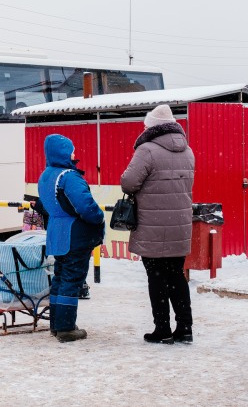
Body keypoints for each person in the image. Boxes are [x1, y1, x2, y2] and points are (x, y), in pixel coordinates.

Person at [120, 104, 195, 344]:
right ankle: (185, 327)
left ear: (151, 126)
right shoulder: (188, 150)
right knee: (176, 275)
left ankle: (162, 328)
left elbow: (128, 183)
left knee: (156, 275)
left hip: (152, 224)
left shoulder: (147, 150)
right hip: (179, 224)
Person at [38, 134, 105, 342]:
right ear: (63, 152)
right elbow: (85, 206)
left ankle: (56, 325)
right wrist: (99, 217)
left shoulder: (46, 175)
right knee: (72, 278)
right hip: (74, 234)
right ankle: (66, 327)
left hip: (56, 233)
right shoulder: (68, 176)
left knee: (60, 277)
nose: (74, 153)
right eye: (71, 149)